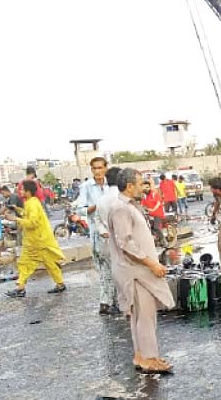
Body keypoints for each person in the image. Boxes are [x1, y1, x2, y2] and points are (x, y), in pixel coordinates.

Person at [108, 168, 174, 373]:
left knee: (140, 315)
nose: (144, 187)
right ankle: (149, 358)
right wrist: (151, 264)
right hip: (135, 271)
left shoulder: (130, 206)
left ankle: (141, 356)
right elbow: (125, 243)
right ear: (129, 186)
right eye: (140, 183)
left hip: (138, 269)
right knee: (145, 315)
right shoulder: (121, 208)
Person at [5, 180, 66, 298]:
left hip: (36, 241)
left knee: (24, 263)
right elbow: (27, 214)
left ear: (28, 191)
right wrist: (17, 209)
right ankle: (60, 284)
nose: (20, 192)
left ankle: (20, 288)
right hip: (40, 240)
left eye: (22, 190)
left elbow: (33, 223)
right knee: (50, 263)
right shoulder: (31, 202)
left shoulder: (32, 203)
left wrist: (15, 219)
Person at [73, 156, 116, 314]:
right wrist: (98, 206)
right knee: (104, 267)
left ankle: (114, 300)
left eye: (100, 168)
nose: (97, 171)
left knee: (116, 266)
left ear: (105, 168)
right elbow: (80, 210)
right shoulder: (87, 187)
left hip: (114, 230)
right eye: (94, 168)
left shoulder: (111, 184)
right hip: (98, 232)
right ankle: (105, 302)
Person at [95, 166, 122, 315]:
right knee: (120, 273)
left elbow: (97, 221)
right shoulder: (122, 199)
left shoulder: (101, 200)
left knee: (105, 272)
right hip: (119, 243)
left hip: (105, 242)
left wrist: (104, 232)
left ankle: (104, 303)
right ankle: (119, 303)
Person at [141, 177, 166, 245]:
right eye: (144, 188)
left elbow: (158, 203)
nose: (146, 189)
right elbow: (142, 205)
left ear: (150, 187)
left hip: (158, 214)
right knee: (149, 228)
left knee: (156, 227)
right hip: (150, 215)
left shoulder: (154, 194)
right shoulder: (144, 196)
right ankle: (156, 239)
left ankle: (163, 239)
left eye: (147, 187)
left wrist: (153, 209)